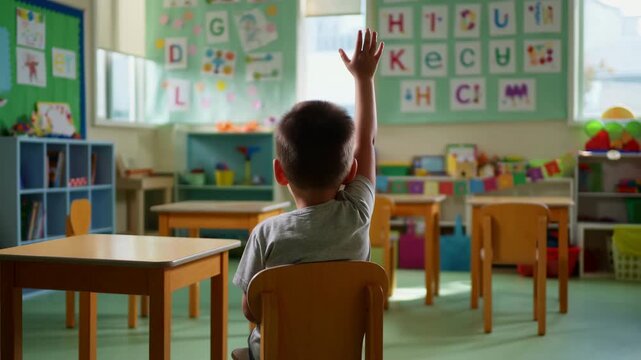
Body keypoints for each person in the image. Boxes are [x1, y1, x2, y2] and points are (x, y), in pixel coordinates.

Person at [232, 28, 384, 359]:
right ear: (351, 171)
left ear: (279, 172)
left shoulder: (266, 234)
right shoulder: (357, 213)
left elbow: (250, 309)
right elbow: (367, 143)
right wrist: (363, 78)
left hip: (277, 351)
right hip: (340, 349)